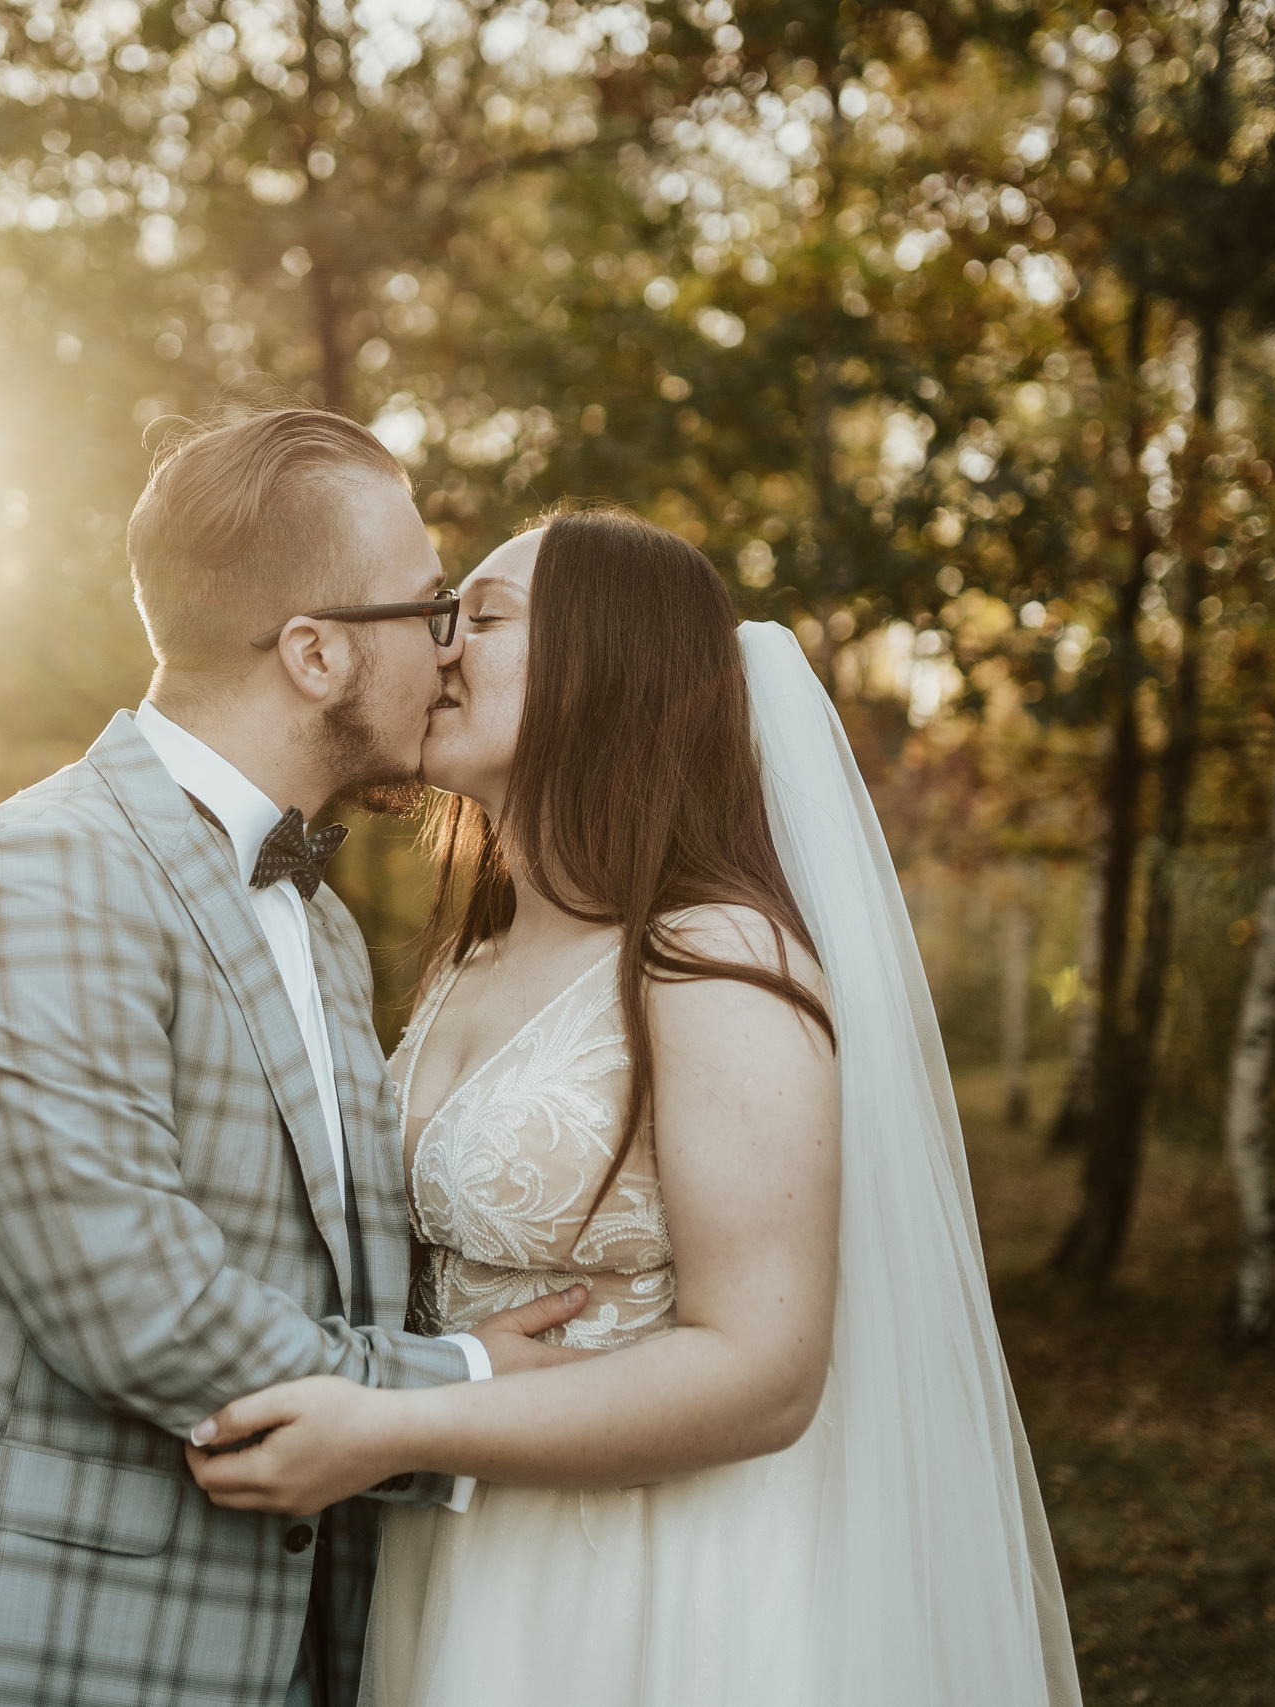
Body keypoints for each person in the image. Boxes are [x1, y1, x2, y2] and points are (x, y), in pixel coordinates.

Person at [0, 409, 594, 1707]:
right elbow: (146, 1313)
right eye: (427, 607)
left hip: (265, 1651)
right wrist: (474, 1385)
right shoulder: (46, 871)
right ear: (315, 652)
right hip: (9, 1647)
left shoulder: (320, 925)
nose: (447, 647)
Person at [186, 509, 1083, 1707]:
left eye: (483, 620)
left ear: (606, 668)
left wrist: (398, 1426)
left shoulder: (710, 958)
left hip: (650, 1587)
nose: (437, 649)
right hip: (456, 1558)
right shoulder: (471, 958)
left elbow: (763, 1372)